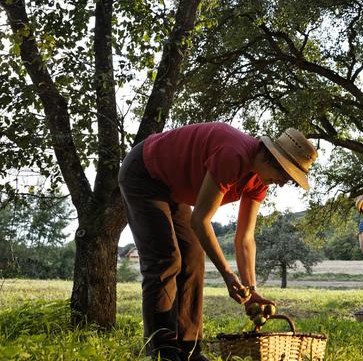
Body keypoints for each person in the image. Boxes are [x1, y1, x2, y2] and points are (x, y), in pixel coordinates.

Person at [118, 123, 318, 361]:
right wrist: (227, 274)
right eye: (285, 175)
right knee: (166, 259)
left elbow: (245, 238)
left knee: (193, 259)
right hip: (144, 172)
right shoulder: (233, 155)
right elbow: (201, 220)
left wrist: (251, 290)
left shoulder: (259, 181)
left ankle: (190, 349)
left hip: (172, 187)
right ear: (270, 158)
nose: (284, 183)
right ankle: (163, 351)